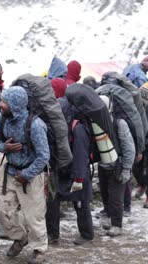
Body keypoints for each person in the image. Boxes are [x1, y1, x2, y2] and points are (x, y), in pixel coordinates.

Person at [0, 86, 49, 264]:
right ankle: (20, 237)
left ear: (16, 105)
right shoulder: (2, 119)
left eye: (5, 102)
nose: (0, 104)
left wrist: (27, 174)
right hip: (9, 172)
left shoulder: (35, 125)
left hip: (31, 176)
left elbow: (43, 156)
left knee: (34, 216)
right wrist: (5, 148)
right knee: (4, 212)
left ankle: (39, 249)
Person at [46, 97, 95, 245]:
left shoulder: (77, 128)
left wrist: (79, 178)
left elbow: (81, 153)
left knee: (81, 204)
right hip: (59, 171)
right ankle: (52, 234)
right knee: (52, 203)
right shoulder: (56, 127)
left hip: (76, 172)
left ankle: (87, 235)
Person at [98, 95, 136, 235]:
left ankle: (117, 225)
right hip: (103, 165)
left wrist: (126, 169)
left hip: (117, 166)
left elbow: (128, 147)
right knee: (105, 195)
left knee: (115, 198)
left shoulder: (119, 124)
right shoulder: (97, 124)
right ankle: (109, 219)